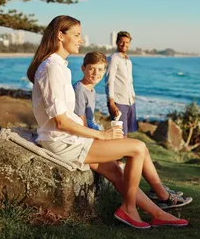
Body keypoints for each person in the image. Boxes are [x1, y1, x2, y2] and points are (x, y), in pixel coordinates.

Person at [27, 15, 190, 229]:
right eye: (76, 35)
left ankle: (157, 213)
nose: (81, 40)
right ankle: (128, 209)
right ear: (60, 35)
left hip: (70, 139)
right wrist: (101, 135)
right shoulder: (52, 68)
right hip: (63, 142)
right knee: (138, 148)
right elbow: (60, 122)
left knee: (115, 170)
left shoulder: (59, 67)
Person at [73, 51, 190, 208]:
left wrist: (107, 132)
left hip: (93, 138)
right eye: (92, 68)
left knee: (140, 148)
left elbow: (89, 121)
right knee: (137, 148)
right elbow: (81, 126)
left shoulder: (91, 90)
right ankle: (161, 195)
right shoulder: (80, 90)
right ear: (83, 68)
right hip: (86, 143)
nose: (96, 73)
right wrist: (104, 136)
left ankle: (160, 192)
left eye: (101, 69)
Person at [105, 31, 137, 137]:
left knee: (127, 134)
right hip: (119, 102)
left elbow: (130, 81)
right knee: (120, 134)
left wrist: (133, 95)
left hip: (130, 101)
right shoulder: (113, 59)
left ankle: (124, 153)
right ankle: (117, 154)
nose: (124, 45)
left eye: (127, 42)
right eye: (122, 42)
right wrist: (111, 102)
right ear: (117, 42)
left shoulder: (128, 61)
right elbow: (109, 80)